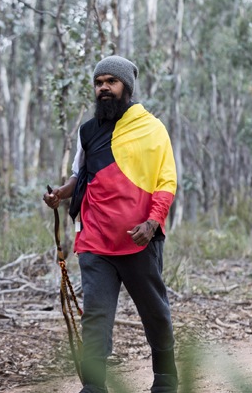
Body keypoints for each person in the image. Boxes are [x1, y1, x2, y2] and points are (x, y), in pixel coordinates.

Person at [43, 55, 179, 393]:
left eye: (111, 82)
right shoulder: (88, 131)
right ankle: (93, 386)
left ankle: (165, 379)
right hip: (95, 239)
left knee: (154, 310)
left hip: (139, 240)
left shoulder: (152, 129)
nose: (103, 88)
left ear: (126, 88)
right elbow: (81, 172)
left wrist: (152, 222)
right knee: (96, 316)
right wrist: (61, 194)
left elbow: (166, 181)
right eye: (98, 82)